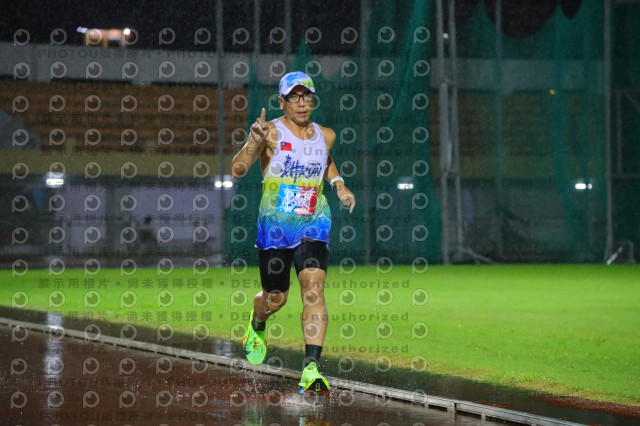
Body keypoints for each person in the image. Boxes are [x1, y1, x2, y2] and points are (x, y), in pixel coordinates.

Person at [230, 71, 355, 394]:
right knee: (276, 298)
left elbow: (325, 160)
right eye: (294, 97)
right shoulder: (270, 131)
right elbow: (238, 169)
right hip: (275, 227)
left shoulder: (326, 135)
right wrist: (254, 142)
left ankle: (311, 368)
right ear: (282, 101)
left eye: (307, 96)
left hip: (314, 221)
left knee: (313, 288)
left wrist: (339, 185)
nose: (302, 103)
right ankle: (258, 321)